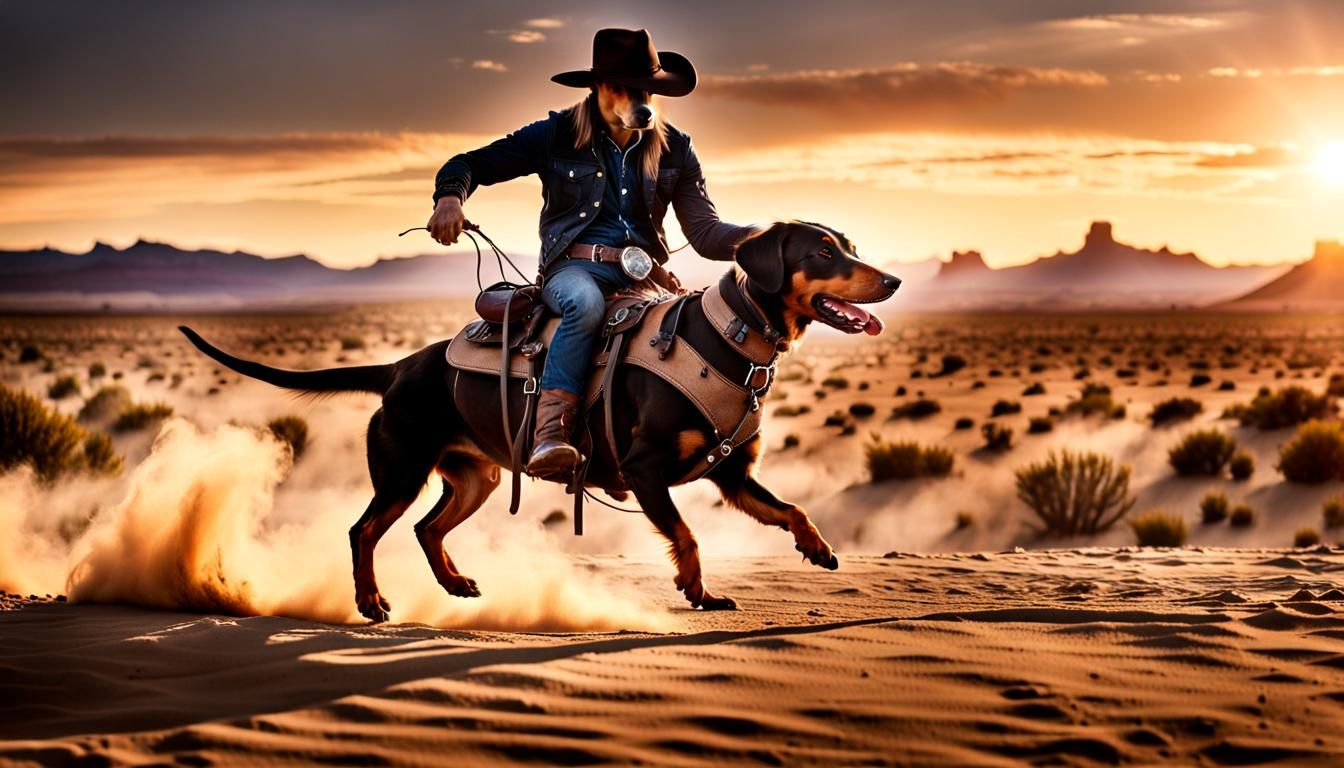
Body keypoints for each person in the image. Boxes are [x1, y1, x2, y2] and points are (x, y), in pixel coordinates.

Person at [428, 27, 757, 477]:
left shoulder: (675, 148)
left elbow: (705, 232)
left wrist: (764, 240)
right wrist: (450, 198)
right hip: (572, 270)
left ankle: (627, 447)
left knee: (681, 329)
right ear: (598, 87)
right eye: (622, 87)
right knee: (583, 308)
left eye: (643, 89)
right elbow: (470, 164)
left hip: (643, 277)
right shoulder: (555, 135)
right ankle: (551, 435)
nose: (635, 98)